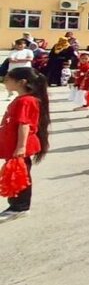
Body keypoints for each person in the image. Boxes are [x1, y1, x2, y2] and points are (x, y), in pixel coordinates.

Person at [0, 68, 49, 221]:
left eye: (8, 78)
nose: (5, 81)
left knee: (20, 175)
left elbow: (24, 125)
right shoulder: (21, 99)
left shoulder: (26, 101)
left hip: (21, 147)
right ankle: (16, 205)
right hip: (14, 145)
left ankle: (20, 207)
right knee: (15, 174)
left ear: (22, 82)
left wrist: (20, 147)